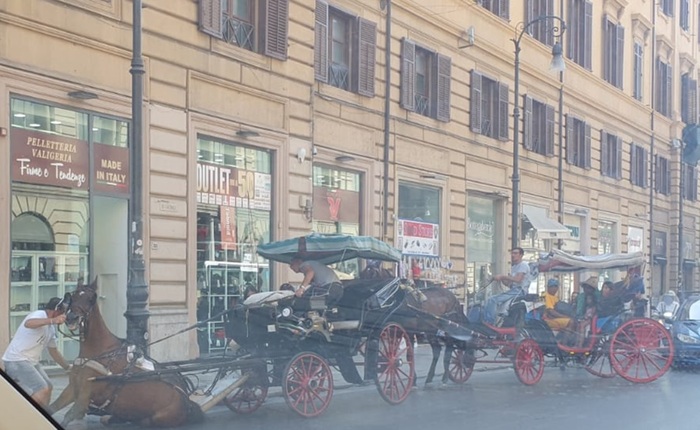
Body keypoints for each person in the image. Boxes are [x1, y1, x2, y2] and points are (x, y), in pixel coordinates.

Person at [2, 297, 71, 409]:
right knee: (41, 388)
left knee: (48, 386)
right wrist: (52, 320)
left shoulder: (51, 329)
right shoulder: (39, 314)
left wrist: (68, 367)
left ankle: (43, 415)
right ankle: (23, 416)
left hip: (31, 362)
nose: (64, 315)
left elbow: (53, 351)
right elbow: (29, 323)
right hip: (17, 360)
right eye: (63, 312)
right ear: (56, 309)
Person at [483, 247, 530, 325]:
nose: (513, 255)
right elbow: (509, 284)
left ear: (521, 255)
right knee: (494, 302)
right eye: (512, 253)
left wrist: (502, 276)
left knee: (492, 300)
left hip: (519, 291)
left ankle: (489, 322)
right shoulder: (514, 267)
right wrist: (500, 279)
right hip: (513, 290)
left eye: (515, 253)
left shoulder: (523, 265)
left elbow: (518, 279)